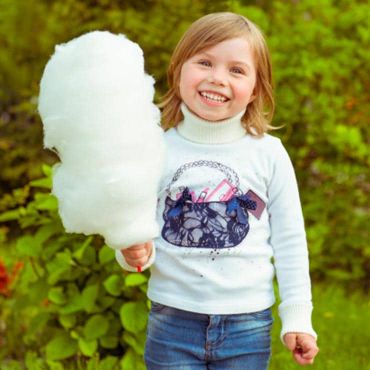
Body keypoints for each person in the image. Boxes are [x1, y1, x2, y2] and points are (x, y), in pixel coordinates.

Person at [115, 12, 319, 369]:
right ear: (179, 70)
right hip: (172, 320)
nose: (217, 78)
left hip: (248, 325)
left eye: (236, 70)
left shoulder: (268, 153)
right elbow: (139, 229)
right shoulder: (155, 148)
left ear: (256, 87)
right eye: (205, 62)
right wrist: (131, 251)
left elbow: (290, 241)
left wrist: (298, 318)